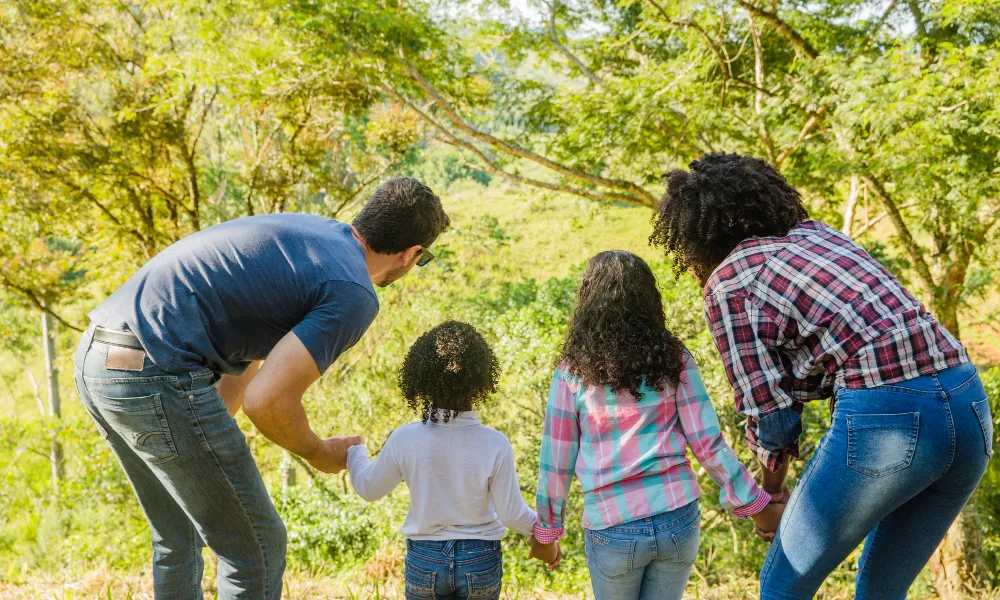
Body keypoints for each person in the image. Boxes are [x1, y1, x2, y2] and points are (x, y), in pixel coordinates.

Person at [72, 177, 450, 600]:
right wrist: (320, 452)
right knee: (256, 547)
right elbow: (267, 401)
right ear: (412, 253)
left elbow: (246, 354)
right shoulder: (353, 292)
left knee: (178, 533)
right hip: (157, 371)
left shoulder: (313, 234)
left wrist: (203, 440)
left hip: (98, 355)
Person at [649, 152, 992, 600]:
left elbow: (770, 415)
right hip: (969, 405)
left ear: (694, 238)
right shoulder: (818, 235)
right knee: (882, 590)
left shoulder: (729, 281)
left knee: (782, 586)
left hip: (891, 417)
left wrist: (771, 496)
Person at [532, 251, 783, 600]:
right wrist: (754, 503)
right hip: (677, 518)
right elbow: (708, 443)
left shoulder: (572, 372)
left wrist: (547, 533)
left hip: (613, 526)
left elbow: (555, 463)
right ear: (649, 298)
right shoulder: (673, 357)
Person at [345, 321, 555, 600]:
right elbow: (512, 515)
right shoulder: (495, 443)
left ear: (420, 379)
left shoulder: (404, 439)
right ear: (480, 380)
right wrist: (543, 534)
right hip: (480, 558)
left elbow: (369, 488)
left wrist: (354, 452)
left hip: (425, 558)